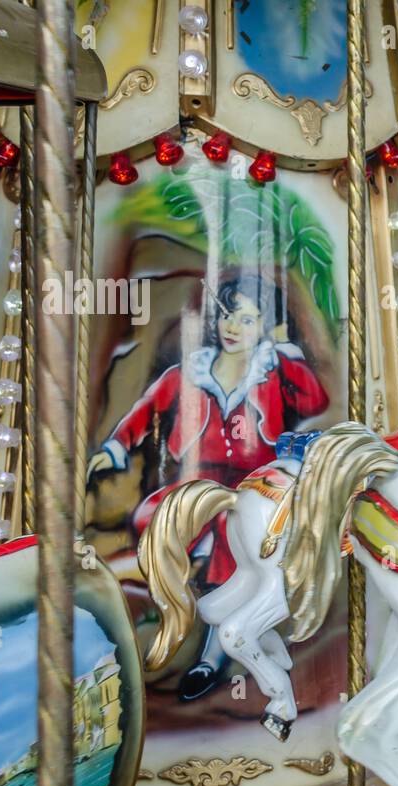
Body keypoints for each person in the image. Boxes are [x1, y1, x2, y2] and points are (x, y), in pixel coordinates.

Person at [88, 274, 329, 700]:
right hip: (199, 481)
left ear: (265, 328)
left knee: (229, 539)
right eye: (227, 317)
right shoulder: (189, 373)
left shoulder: (273, 371)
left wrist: (284, 356)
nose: (233, 328)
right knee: (159, 521)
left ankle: (211, 657)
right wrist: (115, 447)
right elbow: (146, 411)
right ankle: (192, 624)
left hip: (258, 484)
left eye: (248, 320)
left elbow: (315, 402)